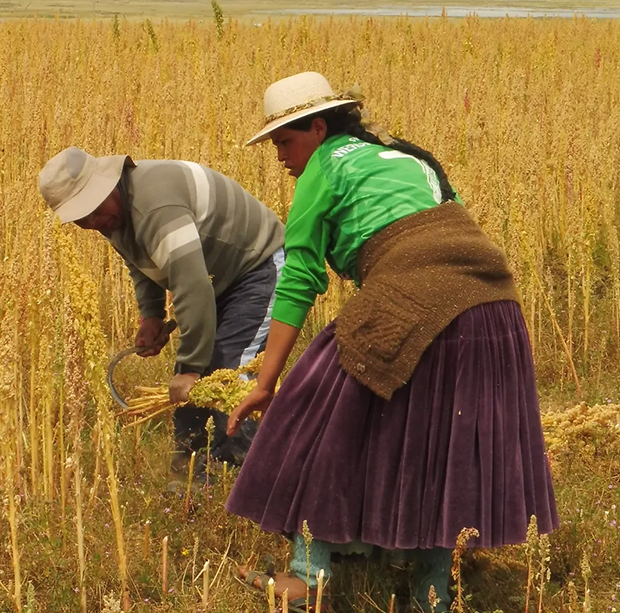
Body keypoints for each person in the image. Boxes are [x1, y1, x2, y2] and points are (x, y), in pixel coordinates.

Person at [224, 72, 558, 611]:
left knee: (311, 411)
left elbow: (302, 274)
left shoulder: (323, 165)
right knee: (444, 440)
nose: (281, 156)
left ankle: (310, 575)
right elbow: (448, 220)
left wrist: (267, 382)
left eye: (284, 141)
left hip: (414, 294)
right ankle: (432, 593)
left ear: (317, 127)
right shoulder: (412, 156)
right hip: (495, 303)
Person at [38, 147, 286, 478]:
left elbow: (193, 287)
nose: (93, 223)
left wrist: (190, 368)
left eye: (94, 211)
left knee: (230, 375)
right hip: (220, 278)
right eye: (82, 219)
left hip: (258, 265)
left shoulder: (154, 205)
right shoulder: (114, 214)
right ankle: (192, 479)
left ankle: (242, 483)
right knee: (195, 384)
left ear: (107, 184)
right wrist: (150, 316)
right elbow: (140, 261)